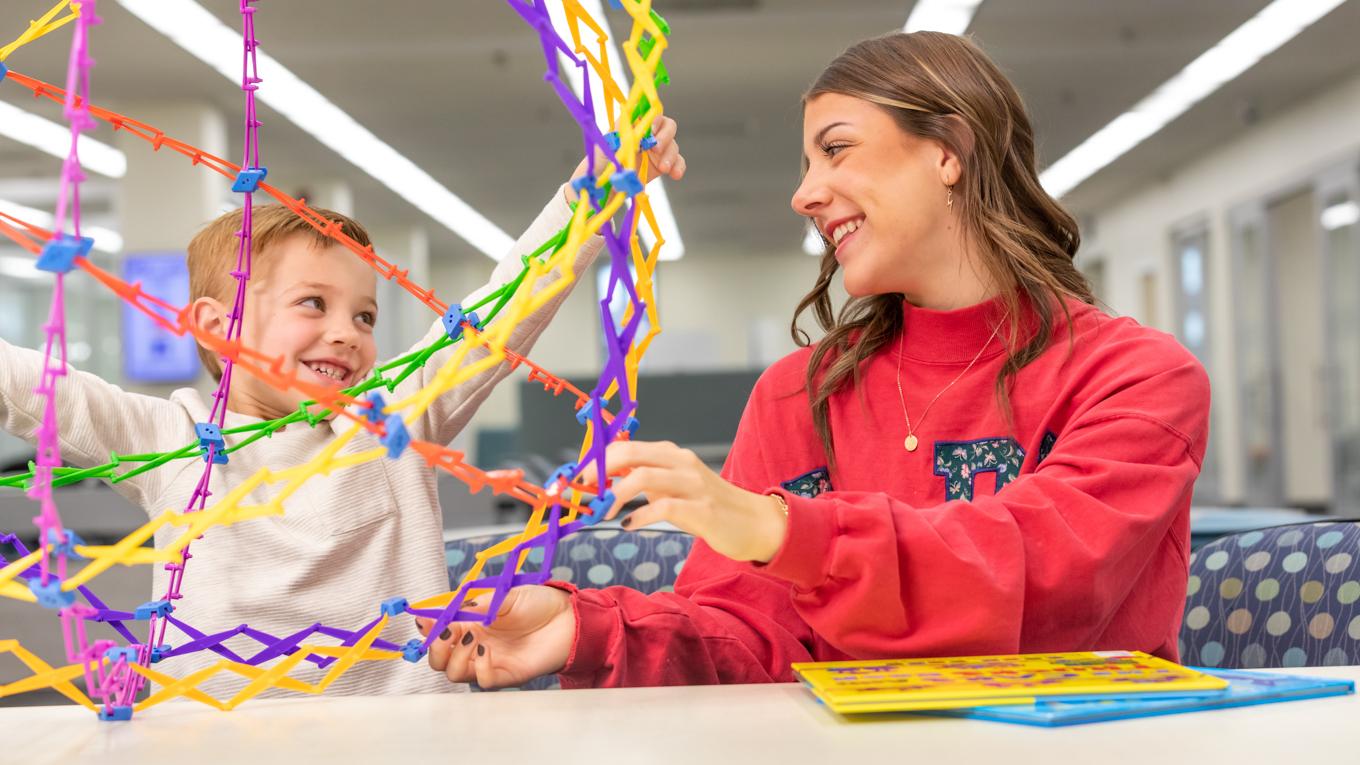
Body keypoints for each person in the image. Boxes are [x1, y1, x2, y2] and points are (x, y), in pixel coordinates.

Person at [416, 32, 1210, 690]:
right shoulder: (798, 394)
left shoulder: (1137, 378)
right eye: (806, 165)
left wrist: (781, 527)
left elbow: (1041, 580)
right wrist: (579, 627)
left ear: (951, 152)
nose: (804, 193)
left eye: (835, 150)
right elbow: (750, 640)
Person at [0, 117, 685, 696]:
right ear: (216, 326)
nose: (345, 333)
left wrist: (595, 192)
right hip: (212, 745)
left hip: (405, 738)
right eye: (312, 304)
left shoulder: (392, 418)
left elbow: (504, 311)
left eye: (363, 315)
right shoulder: (170, 437)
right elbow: (42, 388)